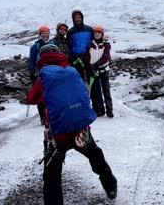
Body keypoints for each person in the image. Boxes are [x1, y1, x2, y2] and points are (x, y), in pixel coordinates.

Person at [25, 44, 117, 205]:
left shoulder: (43, 77)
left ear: (41, 58)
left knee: (52, 174)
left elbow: (31, 99)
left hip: (57, 134)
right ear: (59, 54)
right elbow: (83, 92)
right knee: (95, 156)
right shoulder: (72, 71)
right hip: (80, 130)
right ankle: (111, 186)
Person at [28, 26, 55, 125]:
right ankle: (43, 117)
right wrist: (32, 73)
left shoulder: (53, 44)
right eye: (42, 33)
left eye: (46, 33)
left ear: (49, 33)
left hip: (52, 73)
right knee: (40, 96)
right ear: (40, 35)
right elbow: (31, 60)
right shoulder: (35, 46)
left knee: (52, 95)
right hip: (39, 74)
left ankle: (52, 115)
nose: (45, 35)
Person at [85, 26, 114, 117]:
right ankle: (100, 110)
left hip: (104, 71)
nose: (97, 34)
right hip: (94, 72)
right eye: (95, 33)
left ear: (102, 34)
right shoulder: (90, 45)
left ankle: (109, 110)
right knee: (96, 91)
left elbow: (106, 57)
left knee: (106, 90)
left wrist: (97, 64)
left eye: (99, 33)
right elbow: (87, 58)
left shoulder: (106, 45)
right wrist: (89, 68)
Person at [67, 10, 94, 82]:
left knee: (91, 78)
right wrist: (71, 58)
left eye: (79, 17)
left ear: (82, 18)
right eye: (75, 18)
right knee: (79, 79)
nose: (77, 19)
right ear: (73, 19)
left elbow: (94, 43)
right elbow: (69, 45)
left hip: (88, 58)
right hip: (76, 58)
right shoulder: (70, 31)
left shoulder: (89, 29)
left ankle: (92, 92)